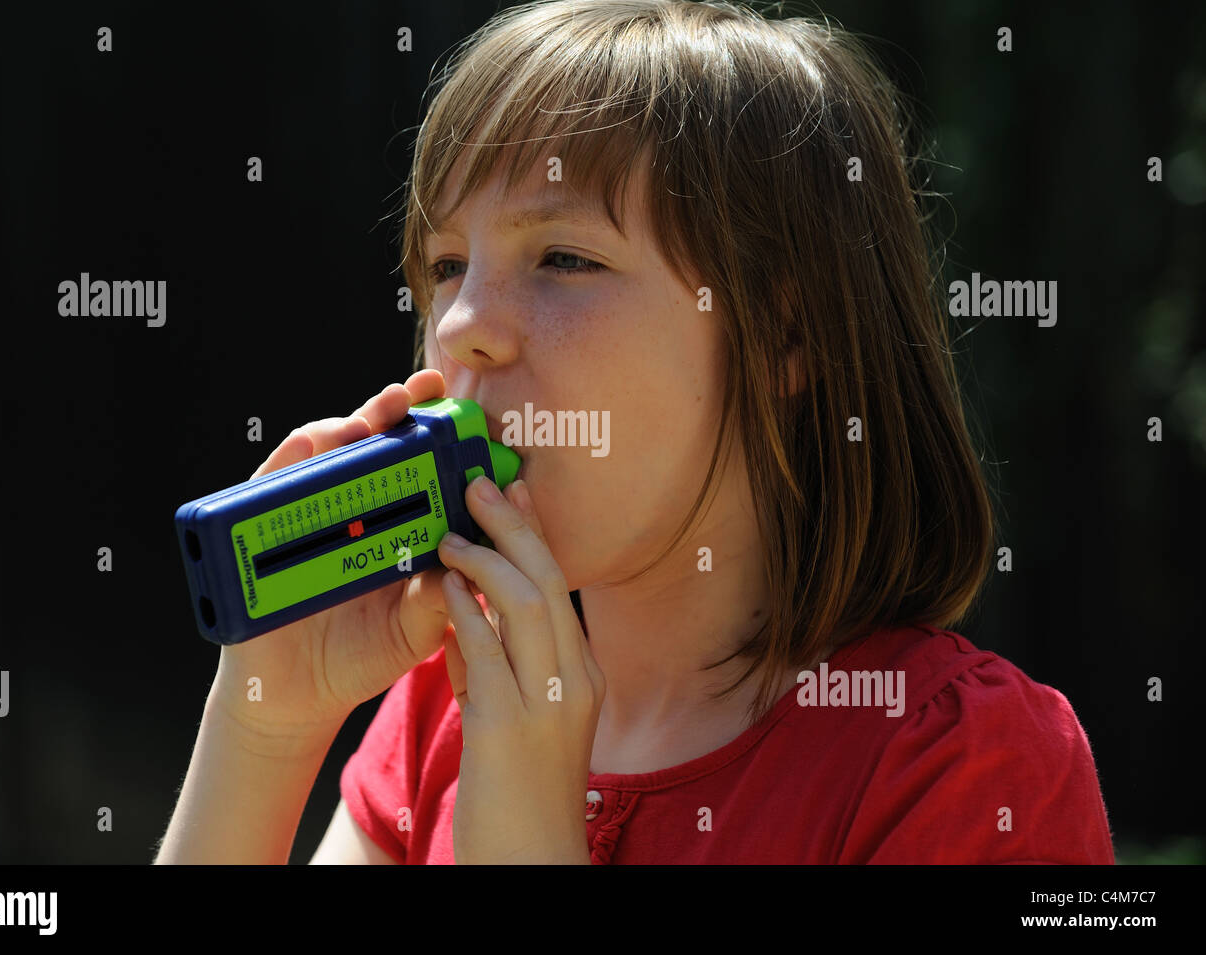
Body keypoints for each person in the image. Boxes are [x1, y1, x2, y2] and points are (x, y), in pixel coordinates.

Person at [155, 0, 1115, 864]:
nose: (459, 324)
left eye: (564, 256)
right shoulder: (445, 704)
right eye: (448, 264)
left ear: (786, 335)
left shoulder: (965, 768)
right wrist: (267, 729)